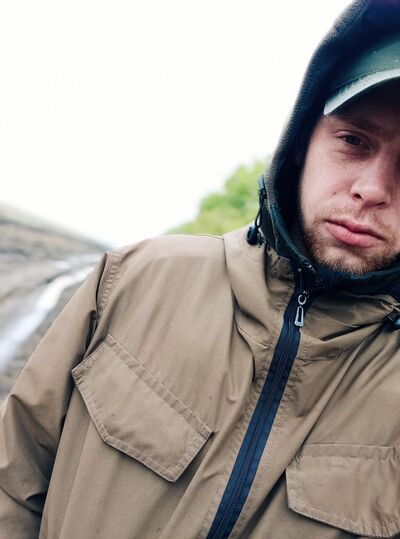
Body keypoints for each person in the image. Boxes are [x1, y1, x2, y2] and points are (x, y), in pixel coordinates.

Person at [2, 1, 400, 537]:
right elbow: (12, 484)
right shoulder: (134, 279)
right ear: (301, 142)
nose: (371, 189)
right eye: (353, 141)